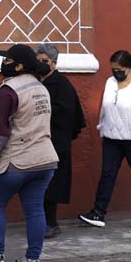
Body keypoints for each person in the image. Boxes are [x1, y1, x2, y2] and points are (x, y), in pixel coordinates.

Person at [0, 45, 58, 262]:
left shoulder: (6, 93)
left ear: (19, 65)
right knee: (34, 210)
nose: (4, 63)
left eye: (8, 60)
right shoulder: (41, 88)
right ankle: (32, 261)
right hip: (44, 160)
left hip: (15, 161)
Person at [79, 50, 131, 229]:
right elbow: (105, 109)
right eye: (113, 69)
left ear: (129, 68)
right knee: (107, 174)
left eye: (120, 69)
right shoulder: (110, 82)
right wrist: (102, 130)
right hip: (111, 138)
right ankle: (98, 213)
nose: (116, 72)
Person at [35, 43, 86, 238]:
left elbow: (67, 113)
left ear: (54, 63)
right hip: (38, 140)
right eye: (37, 61)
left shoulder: (62, 84)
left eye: (44, 62)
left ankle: (51, 222)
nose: (40, 65)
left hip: (56, 141)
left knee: (53, 183)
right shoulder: (35, 81)